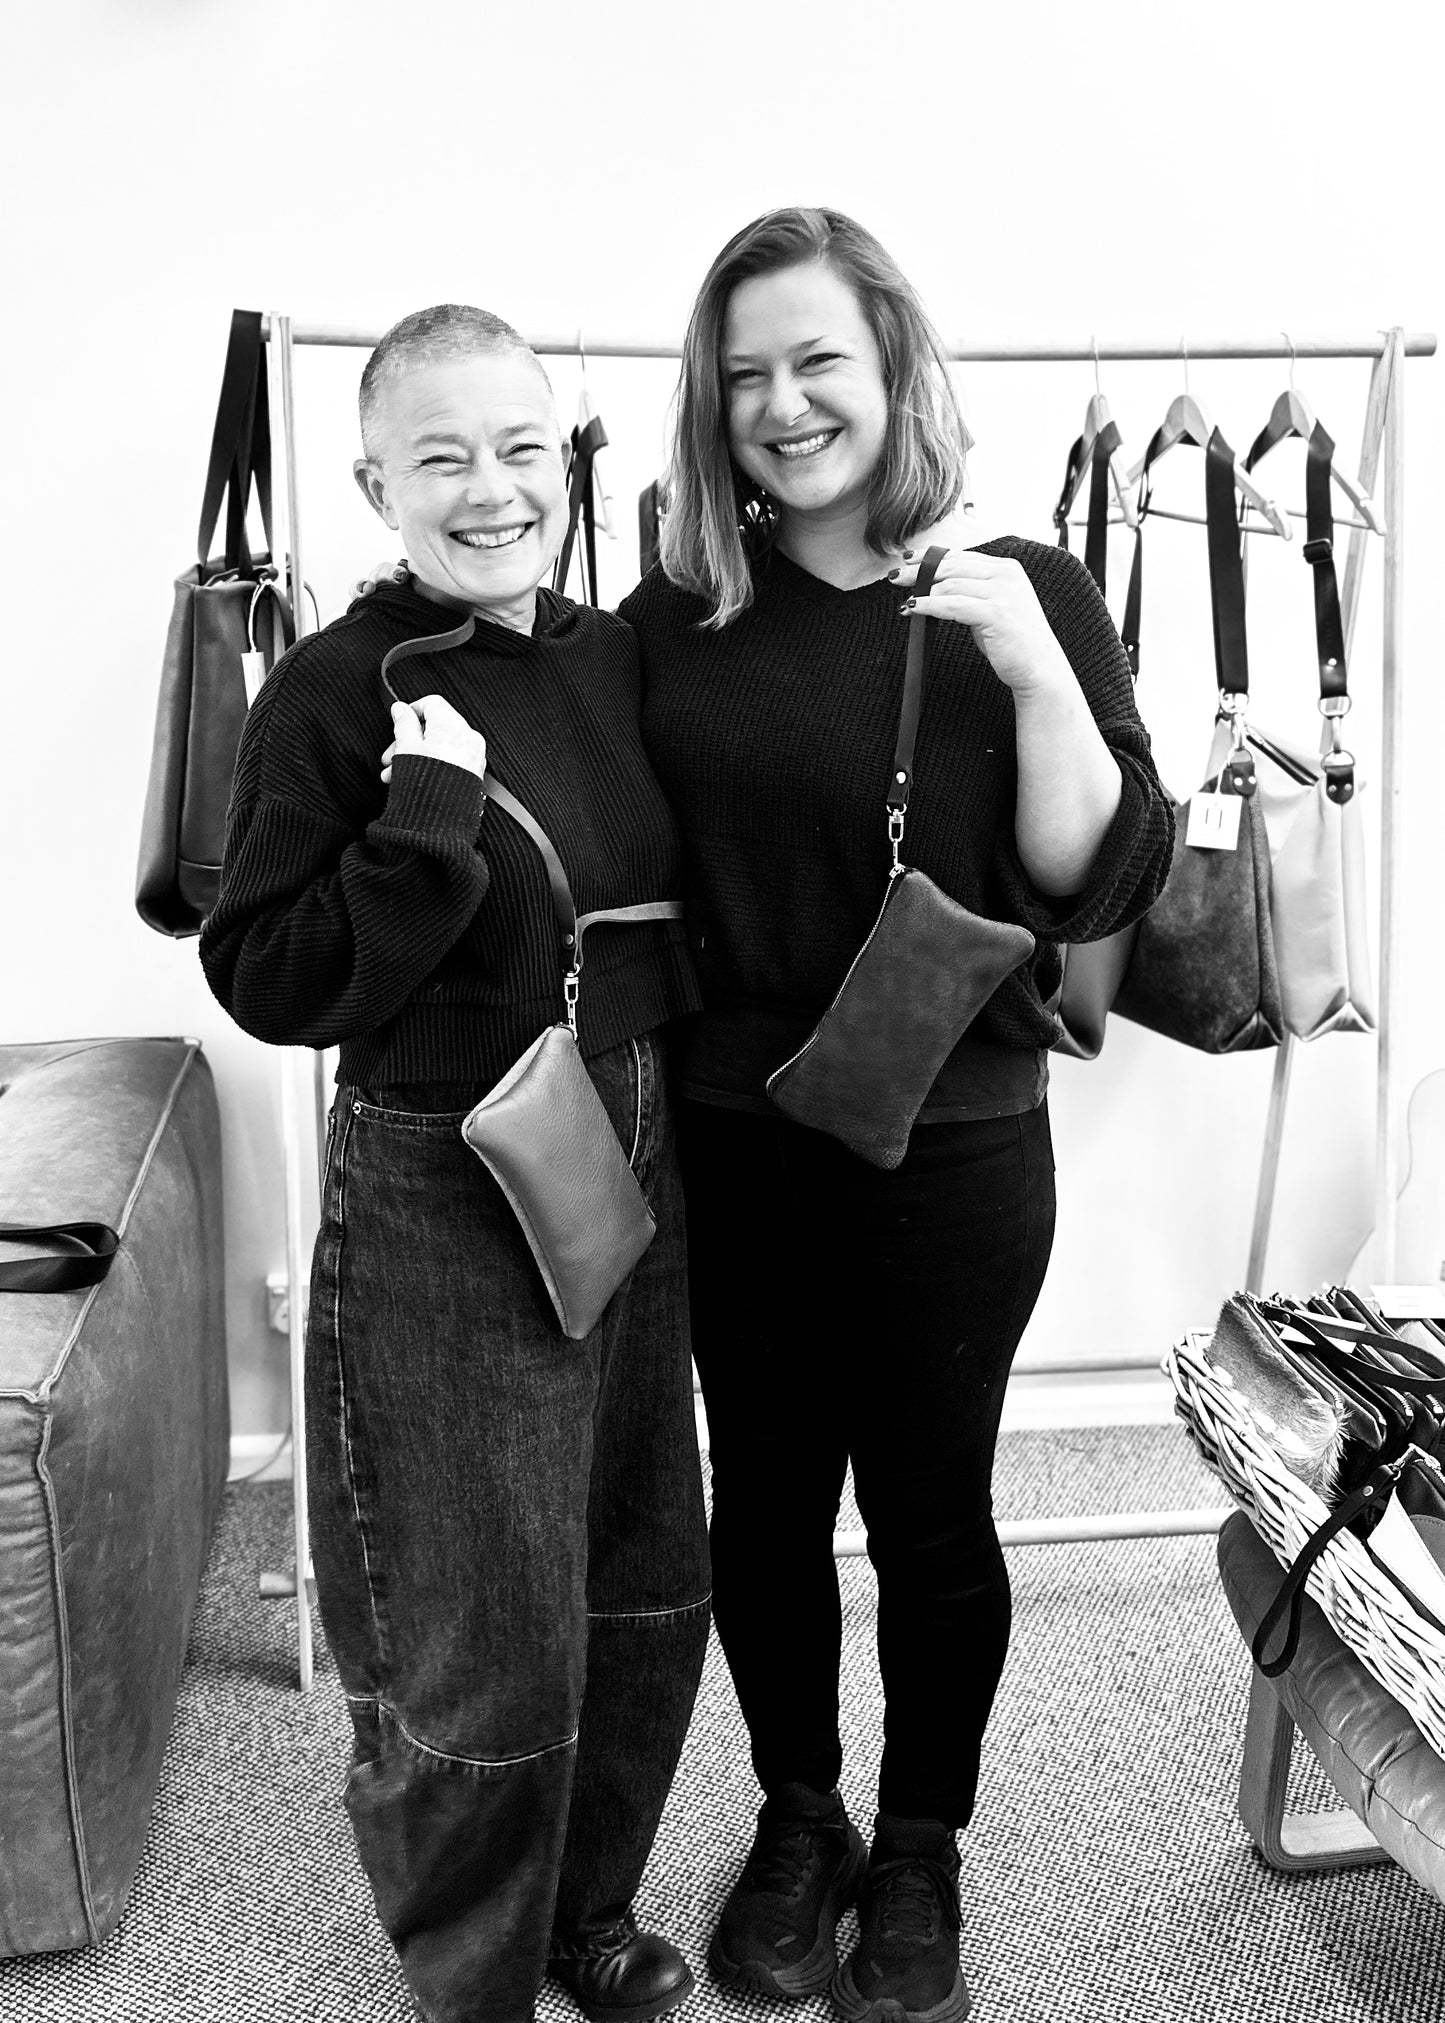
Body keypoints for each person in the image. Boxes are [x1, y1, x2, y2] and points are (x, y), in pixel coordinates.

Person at [617, 209, 1174, 2023]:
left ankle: (919, 1842)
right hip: (732, 1127)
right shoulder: (678, 613)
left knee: (928, 1510)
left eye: (816, 363)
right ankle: (801, 1818)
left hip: (953, 1139)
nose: (782, 405)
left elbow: (1101, 881)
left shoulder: (1014, 583)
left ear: (892, 369)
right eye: (746, 372)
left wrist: (1027, 666)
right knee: (763, 1510)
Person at [200, 304, 710, 2023]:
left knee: (643, 1561)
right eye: (439, 458)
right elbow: (268, 980)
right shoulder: (339, 691)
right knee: (473, 1607)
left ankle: (589, 1905)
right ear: (373, 481)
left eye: (518, 450)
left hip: (628, 1125)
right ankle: (475, 1974)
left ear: (563, 461)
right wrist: (422, 829)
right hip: (444, 1160)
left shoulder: (614, 648)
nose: (488, 491)